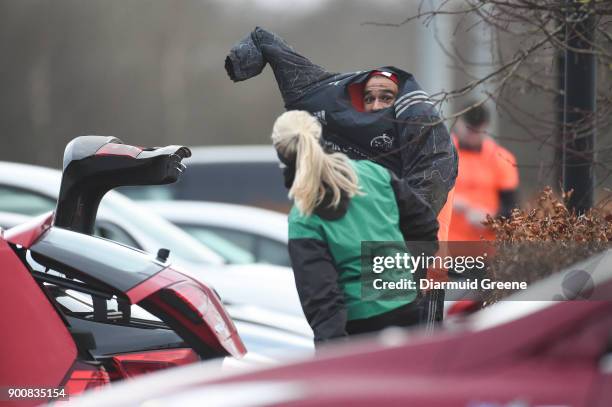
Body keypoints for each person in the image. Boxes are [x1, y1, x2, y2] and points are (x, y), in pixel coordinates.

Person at [272, 110, 439, 345]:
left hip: (361, 329)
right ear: (321, 137)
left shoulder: (303, 217)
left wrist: (332, 358)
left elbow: (323, 301)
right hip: (408, 312)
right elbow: (425, 226)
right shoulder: (376, 174)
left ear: (282, 157)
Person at [449, 104, 519, 241]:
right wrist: (447, 200)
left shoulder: (502, 159)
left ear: (485, 127)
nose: (471, 134)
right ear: (458, 123)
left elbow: (513, 210)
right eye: (468, 128)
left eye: (476, 130)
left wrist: (490, 219)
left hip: (486, 249)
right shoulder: (440, 155)